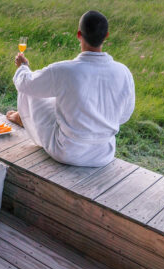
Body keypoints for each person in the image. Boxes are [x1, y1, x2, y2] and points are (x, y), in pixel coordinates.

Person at [7, 10, 135, 167]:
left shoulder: (65, 70)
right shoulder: (123, 72)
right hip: (104, 153)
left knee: (32, 88)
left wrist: (23, 67)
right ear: (106, 36)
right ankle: (25, 118)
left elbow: (25, 84)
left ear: (79, 35)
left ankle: (25, 119)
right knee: (61, 98)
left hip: (68, 151)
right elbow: (124, 116)